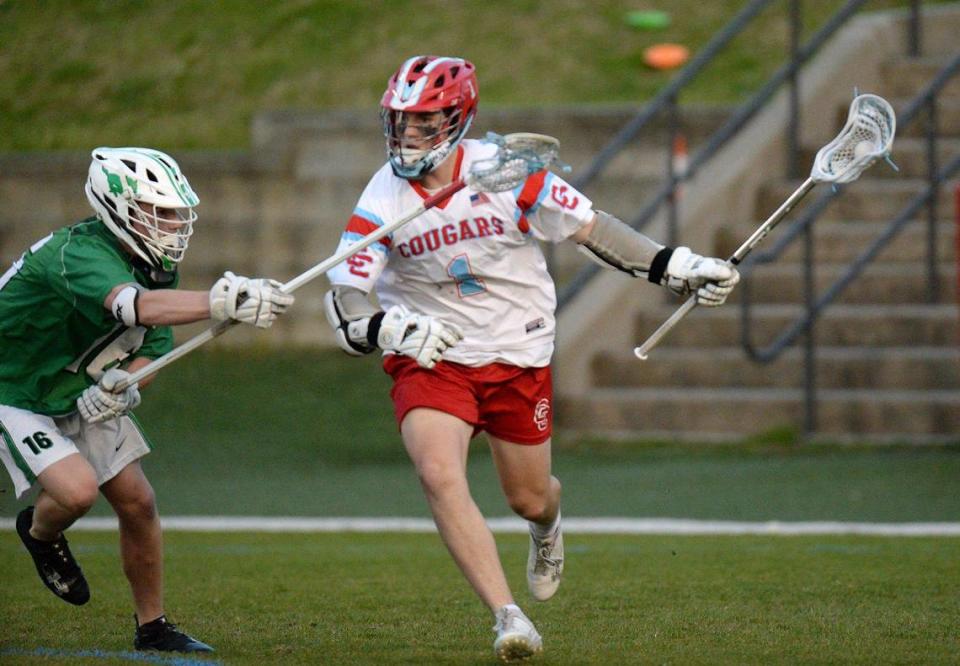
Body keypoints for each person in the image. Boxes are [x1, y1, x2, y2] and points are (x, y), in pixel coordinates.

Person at [323, 55, 739, 662]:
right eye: (400, 123)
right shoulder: (382, 198)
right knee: (438, 473)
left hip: (517, 352)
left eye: (424, 123)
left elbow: (591, 229)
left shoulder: (506, 170)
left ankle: (547, 527)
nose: (408, 137)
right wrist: (387, 328)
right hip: (431, 356)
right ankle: (507, 616)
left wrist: (676, 266)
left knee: (529, 497)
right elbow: (347, 300)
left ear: (459, 119)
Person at [0, 147, 294, 653]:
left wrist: (126, 386)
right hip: (14, 387)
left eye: (176, 213)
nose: (173, 223)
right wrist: (222, 301)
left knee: (139, 502)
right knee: (75, 494)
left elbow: (152, 350)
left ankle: (153, 627)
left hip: (74, 387)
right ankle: (40, 532)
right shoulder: (78, 252)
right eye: (159, 212)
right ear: (116, 208)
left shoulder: (155, 267)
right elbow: (136, 308)